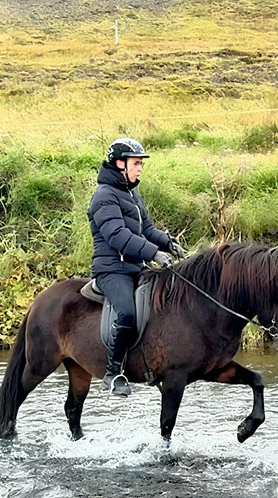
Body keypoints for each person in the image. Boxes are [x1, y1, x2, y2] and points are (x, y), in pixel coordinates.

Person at [87, 138, 186, 396]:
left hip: (135, 267)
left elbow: (146, 229)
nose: (140, 168)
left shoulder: (131, 193)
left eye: (141, 164)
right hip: (112, 269)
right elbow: (118, 235)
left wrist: (168, 243)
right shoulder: (104, 196)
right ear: (120, 164)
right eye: (136, 163)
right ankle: (113, 373)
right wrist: (154, 253)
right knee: (127, 313)